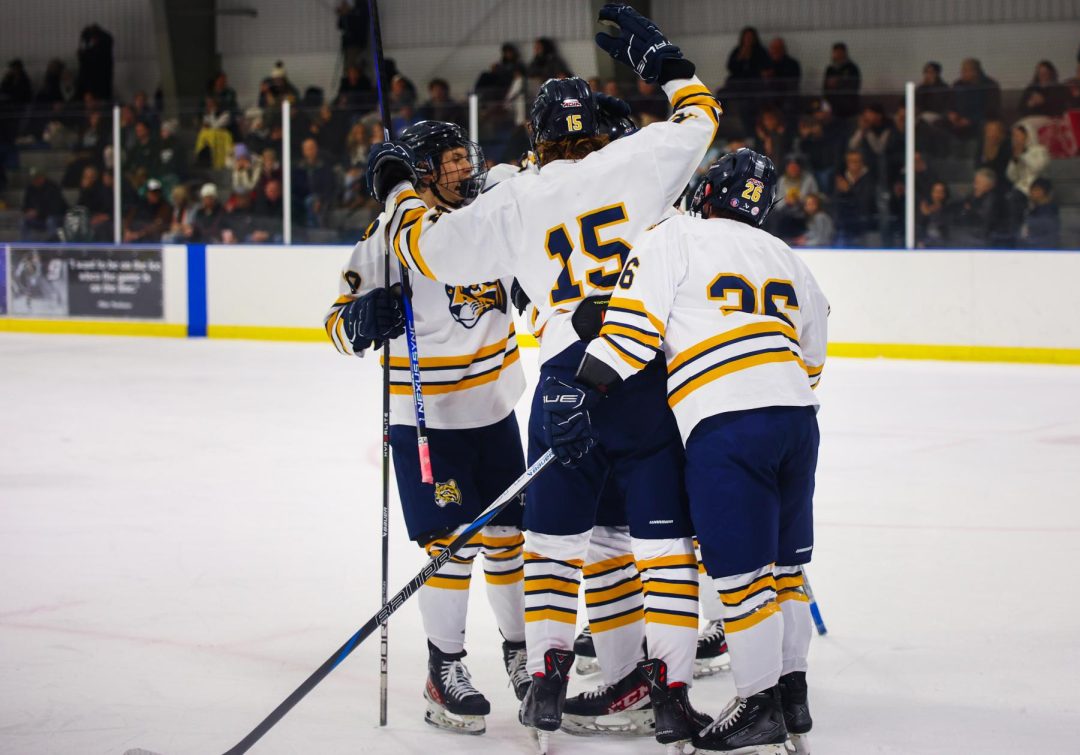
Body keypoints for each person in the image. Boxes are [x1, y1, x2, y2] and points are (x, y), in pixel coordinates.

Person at [364, 6, 720, 750]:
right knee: (647, 547)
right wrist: (661, 62)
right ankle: (660, 686)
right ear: (599, 125)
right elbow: (700, 115)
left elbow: (427, 249)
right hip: (642, 369)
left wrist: (399, 187)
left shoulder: (512, 198)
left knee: (557, 544)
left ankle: (548, 680)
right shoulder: (637, 158)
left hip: (562, 378)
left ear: (533, 140)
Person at [549, 148, 828, 755]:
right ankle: (791, 695)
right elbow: (814, 346)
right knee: (785, 570)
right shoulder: (785, 254)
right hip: (797, 420)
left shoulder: (675, 235)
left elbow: (630, 332)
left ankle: (757, 705)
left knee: (740, 577)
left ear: (707, 191)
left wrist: (580, 392)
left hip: (727, 422)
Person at [326, 121, 531, 734]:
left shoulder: (493, 215)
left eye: (465, 158)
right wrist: (362, 320)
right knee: (451, 543)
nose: (464, 170)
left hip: (495, 411)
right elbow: (336, 324)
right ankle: (444, 669)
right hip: (425, 422)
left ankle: (522, 658)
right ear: (418, 174)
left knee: (508, 541)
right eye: (449, 163)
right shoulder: (388, 238)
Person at [948, 58, 1000, 140]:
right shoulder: (958, 84)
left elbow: (991, 109)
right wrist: (952, 113)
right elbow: (951, 103)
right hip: (959, 119)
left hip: (979, 119)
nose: (962, 73)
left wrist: (971, 120)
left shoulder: (989, 85)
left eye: (965, 71)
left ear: (975, 72)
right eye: (962, 71)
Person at [952, 168, 1004, 248]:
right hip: (971, 233)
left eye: (978, 183)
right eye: (975, 182)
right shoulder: (973, 196)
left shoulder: (993, 198)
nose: (975, 185)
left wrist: (970, 209)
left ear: (988, 185)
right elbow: (963, 211)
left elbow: (984, 219)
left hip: (985, 238)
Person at [833, 150, 876, 247]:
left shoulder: (869, 180)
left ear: (862, 162)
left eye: (857, 161)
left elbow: (866, 203)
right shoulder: (840, 179)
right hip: (844, 226)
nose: (854, 164)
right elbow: (835, 203)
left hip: (864, 226)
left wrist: (848, 191)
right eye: (851, 161)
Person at [21, 167, 67, 240]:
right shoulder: (30, 189)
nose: (34, 180)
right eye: (33, 178)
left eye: (37, 178)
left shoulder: (52, 187)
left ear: (42, 177)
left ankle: (53, 245)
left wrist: (38, 212)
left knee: (50, 220)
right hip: (39, 219)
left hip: (56, 217)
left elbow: (55, 209)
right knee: (24, 222)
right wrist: (28, 211)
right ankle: (26, 246)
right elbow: (25, 205)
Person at [822, 42, 861, 124]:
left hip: (848, 109)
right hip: (832, 108)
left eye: (840, 52)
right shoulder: (830, 69)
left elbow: (854, 86)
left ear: (844, 53)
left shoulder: (852, 68)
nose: (837, 55)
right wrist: (825, 106)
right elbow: (825, 88)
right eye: (835, 52)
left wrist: (838, 83)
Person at [123, 178, 171, 242]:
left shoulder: (164, 206)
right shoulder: (140, 204)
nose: (154, 195)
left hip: (151, 239)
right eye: (152, 192)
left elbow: (157, 224)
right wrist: (127, 231)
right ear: (147, 193)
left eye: (157, 193)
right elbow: (129, 218)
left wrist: (138, 234)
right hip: (133, 235)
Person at [1021, 177, 1060, 248]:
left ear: (1041, 192)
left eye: (1035, 190)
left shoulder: (1050, 213)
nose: (1031, 193)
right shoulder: (1031, 210)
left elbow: (1051, 238)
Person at [917, 181, 951, 248]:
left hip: (943, 247)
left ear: (944, 194)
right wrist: (925, 214)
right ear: (931, 193)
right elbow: (918, 228)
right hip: (927, 247)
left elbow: (947, 230)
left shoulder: (949, 209)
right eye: (935, 191)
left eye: (940, 192)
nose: (937, 194)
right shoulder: (925, 208)